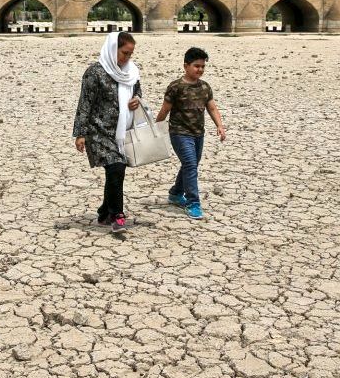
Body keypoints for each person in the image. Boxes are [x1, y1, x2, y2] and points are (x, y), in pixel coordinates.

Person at [73, 32, 142, 232]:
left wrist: (136, 98)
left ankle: (104, 212)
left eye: (130, 54)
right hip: (98, 131)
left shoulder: (131, 71)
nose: (127, 58)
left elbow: (137, 90)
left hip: (121, 130)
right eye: (124, 53)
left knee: (115, 170)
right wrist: (80, 133)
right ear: (113, 49)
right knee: (117, 168)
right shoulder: (95, 72)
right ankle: (117, 215)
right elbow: (85, 103)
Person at [155, 47, 226, 219]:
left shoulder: (205, 87)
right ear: (186, 66)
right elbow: (165, 110)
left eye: (202, 66)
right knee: (190, 165)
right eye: (196, 66)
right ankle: (193, 202)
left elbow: (212, 108)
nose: (200, 70)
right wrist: (156, 129)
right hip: (179, 133)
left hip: (198, 133)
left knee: (190, 165)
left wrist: (220, 125)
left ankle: (175, 193)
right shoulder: (175, 87)